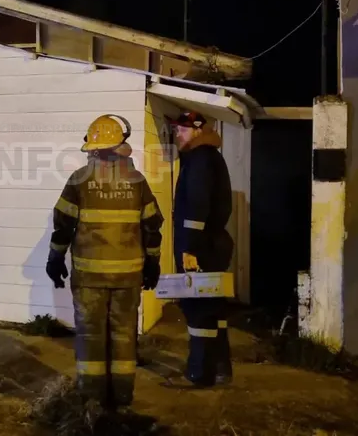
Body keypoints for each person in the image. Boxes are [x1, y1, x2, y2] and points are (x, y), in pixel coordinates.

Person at [47, 114, 164, 410]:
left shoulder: (78, 180)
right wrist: (153, 262)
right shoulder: (137, 181)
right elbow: (153, 225)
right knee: (124, 335)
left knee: (90, 336)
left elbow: (62, 224)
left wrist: (55, 257)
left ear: (94, 149)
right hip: (128, 276)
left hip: (88, 277)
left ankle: (92, 400)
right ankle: (122, 398)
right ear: (121, 144)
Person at [169, 111, 234, 387]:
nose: (177, 135)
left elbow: (197, 206)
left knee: (198, 309)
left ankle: (200, 373)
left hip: (202, 248)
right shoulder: (210, 158)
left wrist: (190, 249)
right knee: (214, 310)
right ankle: (220, 369)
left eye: (182, 130)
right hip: (214, 244)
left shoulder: (200, 159)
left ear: (197, 130)